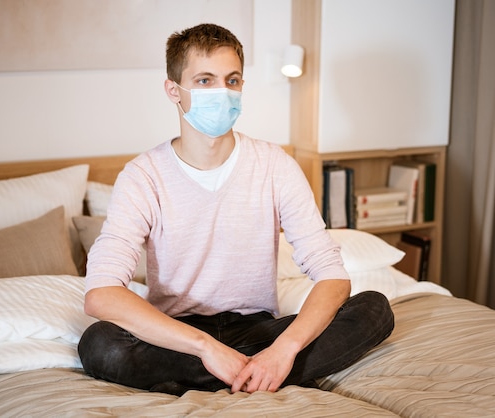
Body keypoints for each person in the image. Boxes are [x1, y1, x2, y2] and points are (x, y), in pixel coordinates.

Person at [78, 23, 394, 396]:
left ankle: (250, 371)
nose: (222, 93)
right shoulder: (142, 176)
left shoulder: (275, 164)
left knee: (374, 309)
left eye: (232, 80)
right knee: (100, 345)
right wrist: (206, 348)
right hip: (178, 336)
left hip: (259, 330)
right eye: (205, 80)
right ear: (173, 90)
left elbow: (333, 276)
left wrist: (283, 349)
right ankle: (252, 374)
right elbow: (100, 293)